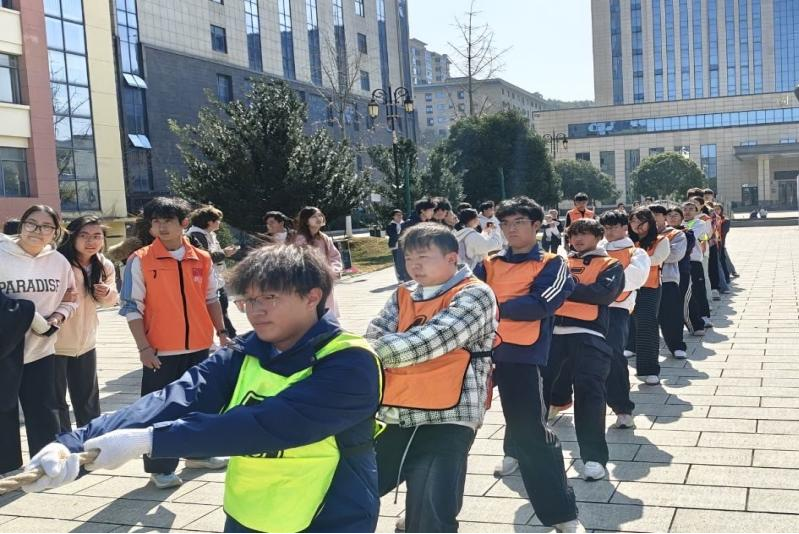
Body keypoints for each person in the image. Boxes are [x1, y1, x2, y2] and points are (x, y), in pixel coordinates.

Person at [22, 245, 384, 533]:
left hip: (329, 513)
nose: (255, 311)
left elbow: (268, 424)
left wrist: (150, 441)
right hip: (249, 512)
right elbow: (175, 398)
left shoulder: (350, 362)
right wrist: (73, 444)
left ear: (312, 296)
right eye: (248, 300)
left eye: (269, 297)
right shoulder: (246, 351)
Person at [366, 223, 497, 533]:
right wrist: (367, 348)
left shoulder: (476, 293)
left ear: (452, 258)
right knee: (354, 489)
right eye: (409, 258)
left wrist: (363, 351)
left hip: (448, 415)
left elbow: (431, 340)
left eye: (423, 257)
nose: (415, 265)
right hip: (396, 409)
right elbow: (373, 333)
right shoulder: (403, 293)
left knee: (431, 512)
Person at [474, 196, 583, 533]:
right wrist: (500, 305)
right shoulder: (489, 263)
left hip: (520, 355)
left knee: (531, 431)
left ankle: (561, 513)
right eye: (506, 223)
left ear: (537, 225)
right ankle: (422, 510)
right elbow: (468, 298)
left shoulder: (552, 263)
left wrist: (492, 307)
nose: (511, 229)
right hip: (475, 353)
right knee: (447, 433)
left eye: (519, 222)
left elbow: (539, 305)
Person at [119, 197, 230, 489]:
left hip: (200, 346)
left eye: (167, 220)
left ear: (184, 223)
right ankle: (161, 468)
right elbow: (131, 307)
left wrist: (221, 332)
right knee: (160, 411)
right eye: (155, 221)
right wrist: (143, 348)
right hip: (160, 351)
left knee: (201, 405)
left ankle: (198, 454)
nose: (161, 227)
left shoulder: (201, 258)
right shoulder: (140, 260)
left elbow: (211, 298)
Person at [544, 219, 625, 483]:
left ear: (598, 236)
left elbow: (602, 294)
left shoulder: (610, 264)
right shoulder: (558, 262)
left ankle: (593, 458)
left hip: (589, 335)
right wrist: (574, 290)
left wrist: (563, 288)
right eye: (573, 234)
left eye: (585, 234)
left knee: (589, 395)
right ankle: (523, 451)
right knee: (536, 393)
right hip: (550, 335)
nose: (577, 239)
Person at [0, 205, 78, 474]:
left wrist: (57, 317)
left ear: (56, 232)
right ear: (22, 224)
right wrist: (28, 316)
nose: (37, 231)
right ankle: (7, 467)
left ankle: (45, 465)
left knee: (44, 409)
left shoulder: (58, 262)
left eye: (46, 227)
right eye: (32, 223)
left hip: (41, 348)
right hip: (5, 348)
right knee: (3, 408)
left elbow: (71, 298)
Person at [54, 217, 119, 433]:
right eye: (84, 236)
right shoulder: (57, 262)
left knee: (88, 400)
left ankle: (90, 440)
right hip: (54, 344)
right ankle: (62, 442)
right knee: (56, 401)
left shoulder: (104, 264)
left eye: (97, 236)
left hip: (86, 343)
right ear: (71, 237)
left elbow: (110, 301)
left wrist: (107, 293)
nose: (91, 241)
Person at [627, 207, 670, 385]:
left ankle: (650, 369)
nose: (636, 225)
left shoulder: (661, 240)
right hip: (627, 288)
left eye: (640, 221)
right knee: (626, 324)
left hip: (649, 287)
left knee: (647, 326)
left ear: (650, 222)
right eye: (633, 221)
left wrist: (632, 261)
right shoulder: (626, 241)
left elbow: (657, 260)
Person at [187, 206, 240, 340]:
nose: (219, 223)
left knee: (223, 308)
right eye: (218, 220)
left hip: (215, 278)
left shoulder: (207, 234)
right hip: (206, 280)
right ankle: (230, 337)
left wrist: (223, 252)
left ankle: (229, 337)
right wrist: (224, 253)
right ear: (210, 222)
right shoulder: (196, 235)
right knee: (220, 309)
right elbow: (206, 257)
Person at [649, 205, 689, 359]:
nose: (653, 218)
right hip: (644, 281)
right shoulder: (639, 235)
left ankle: (677, 346)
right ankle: (633, 346)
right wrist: (656, 255)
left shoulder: (675, 234)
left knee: (671, 315)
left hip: (667, 279)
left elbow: (675, 255)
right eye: (650, 215)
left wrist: (651, 256)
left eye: (657, 215)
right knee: (641, 317)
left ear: (664, 217)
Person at [292, 207, 343, 318]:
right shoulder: (300, 240)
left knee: (327, 313)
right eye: (314, 216)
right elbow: (299, 261)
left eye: (320, 215)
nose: (318, 218)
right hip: (309, 283)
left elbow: (334, 256)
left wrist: (334, 270)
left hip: (325, 281)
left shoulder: (324, 238)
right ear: (306, 221)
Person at [683, 200, 712, 334]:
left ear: (696, 211)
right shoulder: (678, 223)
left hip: (694, 260)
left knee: (698, 289)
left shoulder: (699, 223)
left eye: (691, 209)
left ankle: (704, 316)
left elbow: (693, 237)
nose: (687, 211)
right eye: (685, 209)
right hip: (680, 261)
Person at [386, 209, 408, 282]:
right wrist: (401, 235)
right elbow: (393, 235)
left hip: (405, 246)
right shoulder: (390, 225)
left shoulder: (405, 223)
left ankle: (407, 276)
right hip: (395, 246)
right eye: (397, 215)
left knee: (406, 261)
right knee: (398, 262)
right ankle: (400, 278)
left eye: (401, 215)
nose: (400, 216)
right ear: (393, 216)